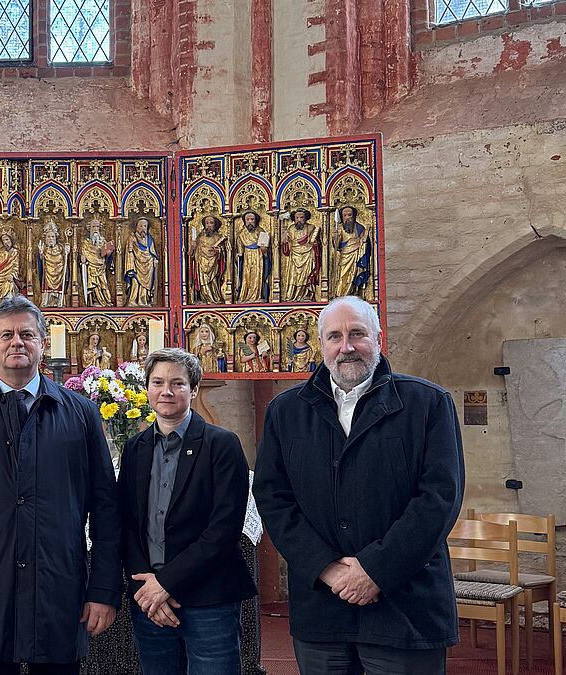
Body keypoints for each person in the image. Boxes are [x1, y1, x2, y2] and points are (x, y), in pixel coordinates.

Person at [253, 296, 465, 674]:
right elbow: (273, 498)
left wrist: (374, 571)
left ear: (379, 339)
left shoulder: (427, 403)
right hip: (322, 606)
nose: (346, 346)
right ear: (321, 345)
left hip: (404, 603)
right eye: (334, 336)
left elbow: (439, 499)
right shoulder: (287, 411)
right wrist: (328, 569)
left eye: (357, 334)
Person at [0, 295, 122, 673]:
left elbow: (105, 507)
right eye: (7, 335)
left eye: (27, 335)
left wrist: (103, 590)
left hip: (59, 588)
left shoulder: (80, 412)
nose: (17, 342)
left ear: (43, 344)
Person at [117, 348, 255, 675]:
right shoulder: (134, 449)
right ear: (147, 388)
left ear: (193, 390)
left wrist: (165, 583)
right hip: (150, 601)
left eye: (177, 384)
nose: (167, 391)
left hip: (208, 598)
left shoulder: (221, 444)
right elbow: (125, 524)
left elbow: (223, 530)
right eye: (158, 382)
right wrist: (144, 587)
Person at [330, 206, 372, 299]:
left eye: (350, 215)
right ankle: (341, 295)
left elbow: (365, 244)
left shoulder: (360, 228)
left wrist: (362, 242)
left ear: (354, 216)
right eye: (345, 215)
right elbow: (336, 246)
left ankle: (354, 292)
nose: (347, 218)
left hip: (356, 257)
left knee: (354, 275)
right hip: (344, 256)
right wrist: (335, 237)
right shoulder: (339, 228)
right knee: (342, 276)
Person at [280, 208, 320, 302]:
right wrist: (285, 236)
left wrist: (315, 244)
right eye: (297, 218)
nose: (299, 220)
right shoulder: (291, 228)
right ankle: (292, 294)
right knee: (294, 276)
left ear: (306, 218)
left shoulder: (311, 227)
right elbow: (284, 243)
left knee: (306, 276)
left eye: (301, 217)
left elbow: (315, 241)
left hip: (308, 254)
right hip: (294, 255)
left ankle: (306, 294)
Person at [233, 211, 270, 303]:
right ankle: (245, 296)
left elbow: (265, 248)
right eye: (248, 220)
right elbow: (239, 246)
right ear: (244, 221)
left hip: (258, 256)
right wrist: (239, 253)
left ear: (256, 220)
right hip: (247, 257)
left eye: (252, 219)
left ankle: (257, 296)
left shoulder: (261, 231)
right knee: (247, 276)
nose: (250, 222)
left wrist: (264, 249)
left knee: (257, 276)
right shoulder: (242, 233)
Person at [189, 215, 227, 304]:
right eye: (207, 223)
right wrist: (192, 247)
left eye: (211, 223)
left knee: (214, 282)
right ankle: (205, 298)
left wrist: (218, 251)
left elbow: (224, 254)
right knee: (203, 283)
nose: (209, 225)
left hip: (213, 264)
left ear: (215, 225)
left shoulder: (218, 237)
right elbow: (191, 254)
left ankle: (215, 299)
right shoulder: (199, 238)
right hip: (201, 264)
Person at [80, 217, 115, 306]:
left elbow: (107, 254)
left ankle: (106, 301)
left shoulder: (103, 241)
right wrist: (83, 258)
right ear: (89, 228)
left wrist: (108, 253)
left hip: (101, 267)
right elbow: (84, 253)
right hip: (91, 267)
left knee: (103, 285)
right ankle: (94, 301)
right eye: (93, 227)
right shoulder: (86, 242)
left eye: (97, 227)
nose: (95, 229)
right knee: (94, 286)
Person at [124, 217, 158, 306]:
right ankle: (132, 301)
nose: (143, 228)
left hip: (148, 264)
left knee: (145, 285)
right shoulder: (132, 238)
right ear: (136, 227)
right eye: (141, 226)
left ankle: (143, 301)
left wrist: (154, 258)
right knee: (135, 282)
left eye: (145, 226)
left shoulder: (149, 239)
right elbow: (129, 252)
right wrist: (130, 266)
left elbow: (152, 251)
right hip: (136, 264)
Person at [36, 220, 70, 308]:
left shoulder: (60, 248)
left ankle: (60, 301)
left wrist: (67, 251)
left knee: (60, 285)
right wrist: (40, 253)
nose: (51, 239)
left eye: (52, 237)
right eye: (48, 237)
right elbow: (40, 262)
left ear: (56, 238)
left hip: (59, 271)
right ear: (45, 238)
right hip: (48, 273)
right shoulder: (44, 249)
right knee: (46, 285)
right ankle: (47, 301)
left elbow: (65, 259)